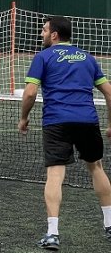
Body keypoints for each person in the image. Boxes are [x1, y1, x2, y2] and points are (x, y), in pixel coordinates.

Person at [18, 16, 111, 250]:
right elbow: (109, 93)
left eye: (44, 30)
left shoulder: (43, 57)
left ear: (54, 35)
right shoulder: (88, 58)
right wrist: (110, 123)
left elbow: (30, 93)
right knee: (96, 168)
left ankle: (52, 234)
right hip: (87, 121)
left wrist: (23, 118)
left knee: (55, 175)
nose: (41, 34)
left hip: (56, 122)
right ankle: (110, 225)